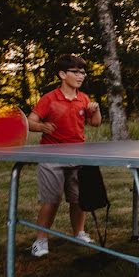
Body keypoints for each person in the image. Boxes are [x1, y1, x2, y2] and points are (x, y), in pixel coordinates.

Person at [28, 54, 102, 257]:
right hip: (52, 156)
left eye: (83, 72)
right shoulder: (49, 99)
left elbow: (95, 123)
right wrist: (42, 126)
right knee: (51, 200)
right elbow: (30, 121)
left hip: (78, 155)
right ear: (62, 74)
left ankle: (79, 233)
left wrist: (95, 111)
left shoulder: (83, 98)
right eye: (76, 72)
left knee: (79, 199)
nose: (81, 76)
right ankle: (40, 241)